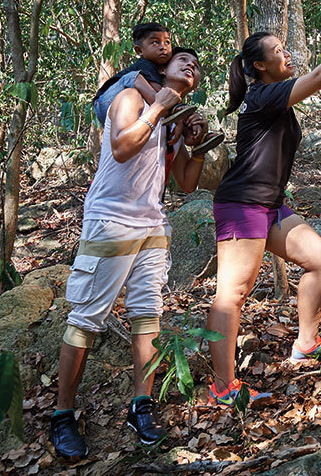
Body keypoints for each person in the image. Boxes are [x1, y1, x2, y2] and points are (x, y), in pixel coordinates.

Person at [205, 15, 321, 406]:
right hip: (243, 204)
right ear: (259, 65)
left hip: (269, 204)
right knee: (233, 294)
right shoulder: (261, 96)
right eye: (277, 51)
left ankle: (306, 344)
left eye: (283, 48)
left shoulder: (273, 95)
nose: (285, 54)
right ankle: (223, 389)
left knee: (319, 256)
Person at [50, 47, 209, 460]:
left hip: (153, 224)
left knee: (147, 314)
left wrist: (198, 145)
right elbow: (121, 147)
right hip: (110, 219)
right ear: (161, 69)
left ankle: (142, 405)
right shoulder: (130, 98)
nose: (190, 66)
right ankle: (62, 415)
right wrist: (157, 107)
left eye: (195, 66)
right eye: (182, 61)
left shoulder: (171, 119)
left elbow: (187, 184)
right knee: (85, 319)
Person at [92, 22, 221, 154]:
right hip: (105, 101)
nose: (163, 47)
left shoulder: (153, 75)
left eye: (167, 42)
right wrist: (179, 115)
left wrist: (188, 120)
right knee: (134, 77)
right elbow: (159, 94)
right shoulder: (145, 65)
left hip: (121, 113)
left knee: (171, 105)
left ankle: (195, 137)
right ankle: (173, 112)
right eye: (155, 42)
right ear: (139, 51)